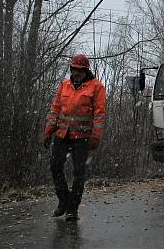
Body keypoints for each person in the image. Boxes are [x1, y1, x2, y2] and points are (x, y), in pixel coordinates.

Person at [43, 54, 106, 222]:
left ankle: (72, 209)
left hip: (82, 138)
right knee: (55, 166)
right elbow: (55, 110)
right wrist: (48, 132)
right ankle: (64, 200)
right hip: (62, 135)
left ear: (86, 71)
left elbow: (99, 114)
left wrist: (96, 136)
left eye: (80, 70)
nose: (76, 73)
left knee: (79, 173)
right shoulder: (64, 86)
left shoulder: (96, 87)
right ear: (71, 69)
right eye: (74, 69)